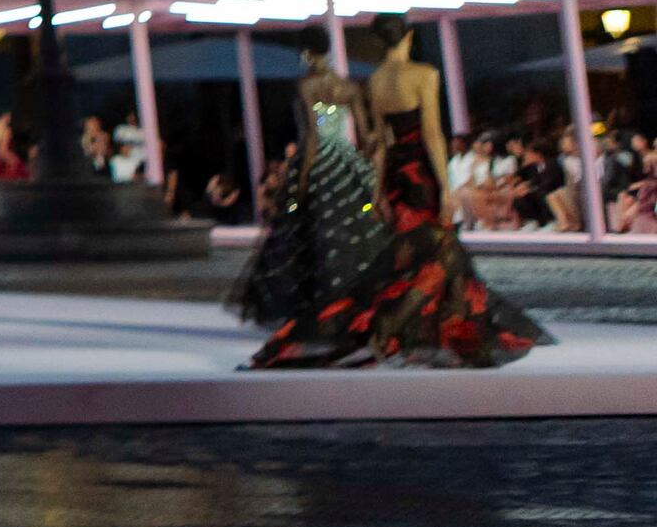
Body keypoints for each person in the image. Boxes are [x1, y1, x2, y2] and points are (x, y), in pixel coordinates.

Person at [249, 23, 554, 369]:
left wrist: (377, 191)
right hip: (420, 174)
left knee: (414, 256)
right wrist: (446, 187)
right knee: (440, 252)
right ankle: (402, 326)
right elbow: (432, 134)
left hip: (394, 176)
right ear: (408, 37)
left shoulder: (375, 80)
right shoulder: (423, 74)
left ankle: (424, 325)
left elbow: (380, 142)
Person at [229, 67, 388, 339]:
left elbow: (313, 134)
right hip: (345, 158)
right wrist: (369, 165)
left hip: (319, 160)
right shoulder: (347, 88)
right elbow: (365, 134)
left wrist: (301, 178)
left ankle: (314, 305)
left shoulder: (307, 85)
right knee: (356, 234)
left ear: (307, 53)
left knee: (306, 232)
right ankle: (354, 304)